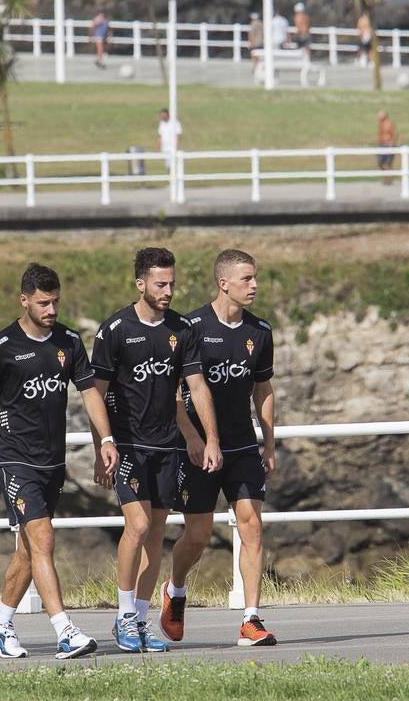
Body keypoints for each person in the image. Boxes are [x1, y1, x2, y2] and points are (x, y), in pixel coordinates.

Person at [0, 263, 120, 660]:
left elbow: (90, 393)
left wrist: (107, 440)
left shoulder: (69, 341)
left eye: (56, 301)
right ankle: (65, 630)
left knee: (29, 551)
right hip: (15, 460)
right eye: (43, 302)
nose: (51, 309)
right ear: (24, 300)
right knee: (43, 539)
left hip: (52, 461)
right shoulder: (1, 347)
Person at [90, 247, 222, 654]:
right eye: (160, 284)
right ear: (140, 283)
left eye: (172, 283)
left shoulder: (182, 329)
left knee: (157, 532)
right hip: (128, 444)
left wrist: (210, 438)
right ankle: (123, 614)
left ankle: (141, 619)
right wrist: (102, 444)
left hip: (167, 446)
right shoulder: (115, 329)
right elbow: (95, 392)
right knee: (139, 526)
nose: (167, 291)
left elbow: (197, 387)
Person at [162, 250, 279, 648]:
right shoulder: (191, 327)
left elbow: (263, 389)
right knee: (198, 536)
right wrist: (193, 438)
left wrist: (269, 442)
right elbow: (175, 392)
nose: (255, 285)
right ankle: (175, 590)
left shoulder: (260, 331)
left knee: (252, 527)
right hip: (196, 448)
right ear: (223, 282)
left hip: (243, 444)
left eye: (256, 277)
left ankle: (251, 619)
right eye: (247, 278)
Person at [157, 108, 183, 174]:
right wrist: (158, 146)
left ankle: (175, 181)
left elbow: (179, 135)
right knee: (168, 166)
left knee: (173, 165)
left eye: (163, 115)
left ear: (167, 114)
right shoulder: (161, 124)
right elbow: (160, 136)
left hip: (172, 147)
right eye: (161, 115)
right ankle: (171, 181)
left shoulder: (175, 122)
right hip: (165, 148)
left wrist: (177, 146)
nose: (162, 116)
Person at [376, 109, 397, 185]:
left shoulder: (389, 124)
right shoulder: (380, 124)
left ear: (384, 116)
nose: (377, 117)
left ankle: (389, 180)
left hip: (388, 145)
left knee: (388, 163)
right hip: (381, 145)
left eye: (379, 115)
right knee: (380, 163)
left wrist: (392, 143)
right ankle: (385, 177)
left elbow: (394, 134)